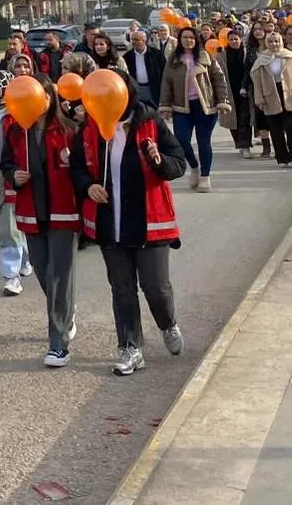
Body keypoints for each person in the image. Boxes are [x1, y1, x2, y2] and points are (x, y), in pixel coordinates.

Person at [70, 72, 187, 376]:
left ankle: (167, 323)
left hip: (150, 221)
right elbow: (77, 169)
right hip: (111, 224)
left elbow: (178, 163)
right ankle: (130, 347)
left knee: (156, 287)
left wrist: (159, 160)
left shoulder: (150, 122)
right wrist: (88, 186)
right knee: (122, 289)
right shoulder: (90, 129)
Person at [1, 74, 79, 367]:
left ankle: (58, 344)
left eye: (45, 94)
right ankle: (66, 311)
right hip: (31, 211)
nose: (41, 100)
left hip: (63, 211)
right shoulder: (15, 130)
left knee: (58, 276)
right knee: (45, 273)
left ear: (51, 96)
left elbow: (86, 168)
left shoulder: (69, 129)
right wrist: (14, 176)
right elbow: (5, 163)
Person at [159, 27, 231, 193]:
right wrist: (165, 104)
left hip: (205, 106)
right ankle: (194, 166)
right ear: (180, 40)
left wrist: (222, 100)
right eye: (185, 37)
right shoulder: (173, 59)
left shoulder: (206, 56)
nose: (188, 40)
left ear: (196, 39)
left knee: (203, 141)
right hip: (181, 107)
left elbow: (218, 79)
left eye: (191, 37)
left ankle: (205, 176)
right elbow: (166, 82)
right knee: (182, 141)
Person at [0, 71, 31, 297]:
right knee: (11, 227)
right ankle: (26, 259)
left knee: (8, 228)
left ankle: (11, 277)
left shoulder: (17, 114)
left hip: (12, 180)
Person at [249, 32, 292, 168]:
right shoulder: (262, 60)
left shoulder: (290, 57)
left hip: (290, 95)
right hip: (271, 96)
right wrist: (259, 99)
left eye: (276, 41)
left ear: (281, 42)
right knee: (276, 129)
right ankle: (282, 158)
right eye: (270, 42)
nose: (274, 44)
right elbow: (257, 82)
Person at [215, 31, 253, 158]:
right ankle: (239, 143)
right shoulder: (222, 55)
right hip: (229, 91)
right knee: (232, 120)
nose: (234, 42)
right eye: (231, 39)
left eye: (236, 39)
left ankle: (246, 145)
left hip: (245, 90)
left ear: (241, 39)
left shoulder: (247, 53)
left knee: (244, 119)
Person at [246, 23, 273, 158]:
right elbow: (247, 69)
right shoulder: (251, 50)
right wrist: (244, 86)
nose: (257, 32)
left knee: (274, 117)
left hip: (273, 86)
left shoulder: (273, 47)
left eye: (260, 29)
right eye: (255, 29)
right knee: (260, 117)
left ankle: (279, 146)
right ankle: (266, 148)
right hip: (256, 87)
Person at [123, 31, 165, 107]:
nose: (134, 42)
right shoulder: (127, 57)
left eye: (136, 40)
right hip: (136, 90)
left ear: (144, 40)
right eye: (132, 40)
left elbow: (164, 72)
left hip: (154, 89)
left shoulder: (157, 54)